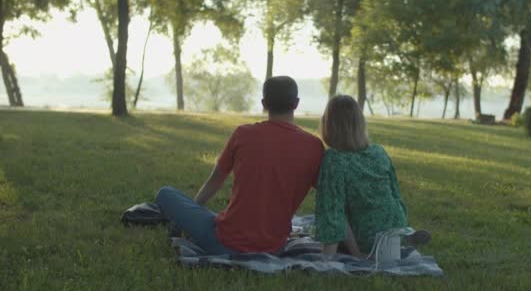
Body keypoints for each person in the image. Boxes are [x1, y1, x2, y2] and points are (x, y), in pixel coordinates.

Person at [155, 76, 325, 255]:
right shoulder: (314, 146)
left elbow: (215, 181)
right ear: (296, 103)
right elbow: (328, 195)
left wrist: (193, 210)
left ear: (264, 103)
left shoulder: (243, 134)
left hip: (224, 243)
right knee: (215, 217)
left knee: (165, 193)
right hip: (274, 248)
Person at [314, 95, 430, 258]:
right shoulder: (379, 152)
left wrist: (346, 255)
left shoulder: (335, 159)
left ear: (328, 124)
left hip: (366, 237)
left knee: (330, 218)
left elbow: (333, 212)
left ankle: (381, 245)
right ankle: (401, 239)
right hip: (395, 221)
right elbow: (395, 193)